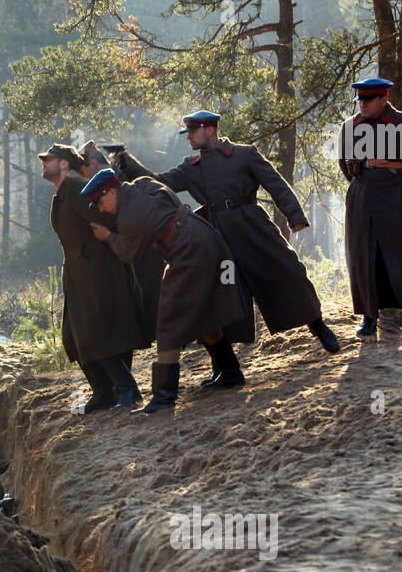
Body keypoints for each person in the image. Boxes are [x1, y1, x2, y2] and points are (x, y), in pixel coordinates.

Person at [150, 110, 340, 366]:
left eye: (193, 131)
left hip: (252, 225)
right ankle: (225, 367)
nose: (189, 137)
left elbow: (276, 184)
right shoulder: (191, 167)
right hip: (218, 235)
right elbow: (159, 184)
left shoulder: (244, 154)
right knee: (220, 292)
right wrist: (125, 166)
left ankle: (318, 326)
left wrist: (294, 215)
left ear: (210, 129)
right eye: (188, 133)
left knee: (289, 270)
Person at [82, 167, 248, 414]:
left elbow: (128, 254)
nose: (101, 209)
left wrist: (108, 236)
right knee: (208, 312)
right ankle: (231, 372)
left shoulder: (127, 218)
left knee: (168, 320)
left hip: (187, 252)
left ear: (111, 192)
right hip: (205, 238)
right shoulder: (143, 184)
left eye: (100, 202)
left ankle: (164, 396)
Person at [41, 142, 144, 411]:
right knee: (76, 335)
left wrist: (101, 242)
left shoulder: (75, 187)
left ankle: (125, 389)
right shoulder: (64, 192)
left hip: (98, 272)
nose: (44, 163)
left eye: (49, 159)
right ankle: (104, 390)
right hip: (81, 273)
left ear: (64, 163)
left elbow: (107, 215)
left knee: (96, 332)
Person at [337, 78, 402, 337]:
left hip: (395, 196)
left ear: (384, 98)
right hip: (361, 198)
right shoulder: (350, 127)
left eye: (368, 100)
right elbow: (343, 164)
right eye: (360, 100)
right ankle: (369, 317)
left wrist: (400, 186)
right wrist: (364, 182)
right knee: (364, 255)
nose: (362, 104)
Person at [77, 140, 165, 355]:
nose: (82, 176)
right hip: (144, 251)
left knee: (163, 310)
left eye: (84, 169)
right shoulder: (112, 182)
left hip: (149, 253)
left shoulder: (112, 185)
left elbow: (126, 236)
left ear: (95, 165)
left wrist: (108, 236)